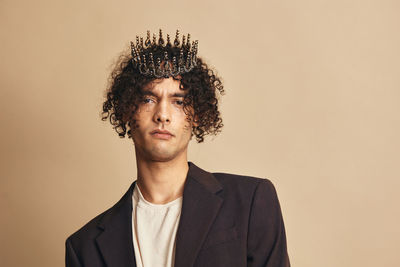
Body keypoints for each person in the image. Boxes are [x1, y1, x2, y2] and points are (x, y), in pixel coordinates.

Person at [65, 29, 290, 267]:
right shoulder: (85, 247)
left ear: (197, 115)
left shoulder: (250, 201)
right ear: (126, 111)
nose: (162, 115)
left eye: (179, 101)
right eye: (148, 99)